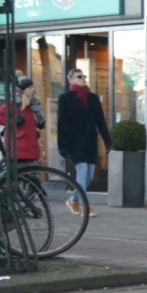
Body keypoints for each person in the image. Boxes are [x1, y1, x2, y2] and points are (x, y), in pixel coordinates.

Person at [57, 67, 111, 216]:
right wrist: (61, 145)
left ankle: (73, 200)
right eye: (79, 77)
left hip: (90, 142)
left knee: (89, 176)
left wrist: (107, 141)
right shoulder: (66, 98)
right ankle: (85, 206)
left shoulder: (93, 98)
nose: (83, 79)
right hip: (75, 142)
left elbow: (100, 121)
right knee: (81, 173)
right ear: (71, 80)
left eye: (84, 76)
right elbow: (61, 124)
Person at [0, 76, 46, 164]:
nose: (33, 90)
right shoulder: (13, 103)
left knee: (30, 175)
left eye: (33, 87)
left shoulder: (33, 105)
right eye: (30, 87)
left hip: (31, 147)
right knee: (19, 175)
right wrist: (12, 122)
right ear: (22, 90)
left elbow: (40, 123)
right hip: (17, 149)